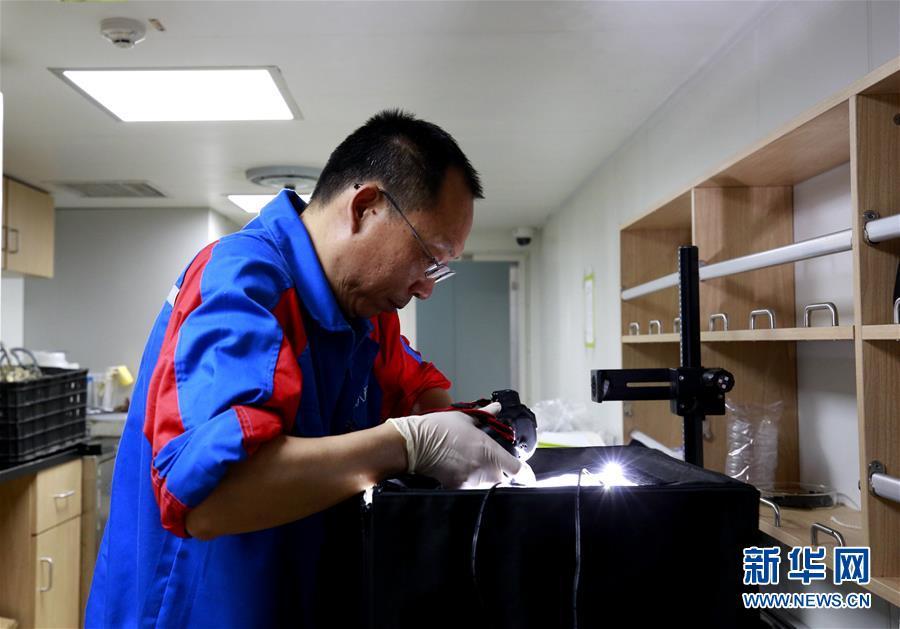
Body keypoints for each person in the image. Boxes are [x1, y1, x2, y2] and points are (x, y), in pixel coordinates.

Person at [85, 109, 533, 627]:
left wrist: (479, 432)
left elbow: (418, 390)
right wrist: (410, 444)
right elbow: (212, 498)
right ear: (365, 207)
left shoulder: (366, 314)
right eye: (427, 258)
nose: (427, 288)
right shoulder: (242, 281)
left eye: (441, 270)